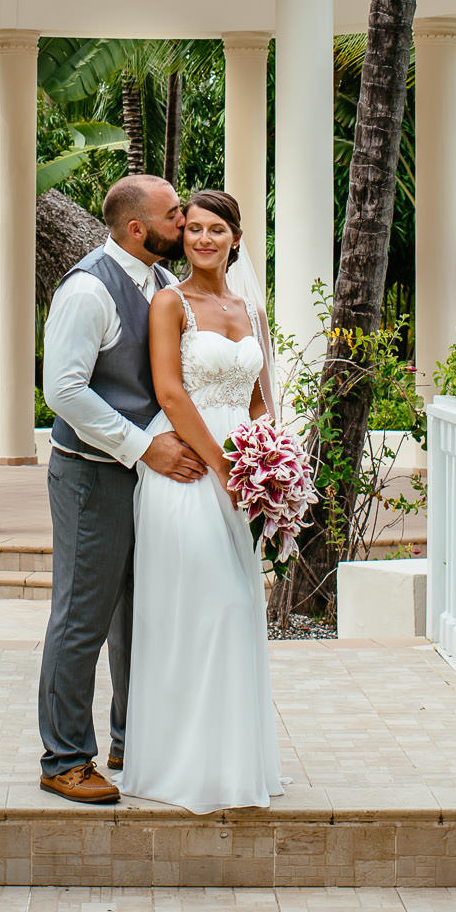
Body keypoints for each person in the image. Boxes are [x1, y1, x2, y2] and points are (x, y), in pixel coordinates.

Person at [35, 174, 205, 804]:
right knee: (82, 615)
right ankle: (64, 759)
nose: (184, 221)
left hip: (148, 480)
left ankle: (130, 741)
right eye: (174, 213)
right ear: (138, 229)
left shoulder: (162, 284)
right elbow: (64, 391)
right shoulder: (87, 290)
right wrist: (144, 447)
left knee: (139, 617)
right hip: (90, 475)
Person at [116, 187, 283, 813]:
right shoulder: (169, 303)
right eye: (194, 230)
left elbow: (260, 399)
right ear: (182, 238)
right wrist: (224, 467)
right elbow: (171, 393)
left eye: (218, 230)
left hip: (241, 478)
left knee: (240, 612)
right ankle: (179, 768)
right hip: (188, 472)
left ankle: (232, 767)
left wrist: (270, 470)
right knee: (208, 610)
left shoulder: (251, 312)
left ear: (237, 238)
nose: (204, 239)